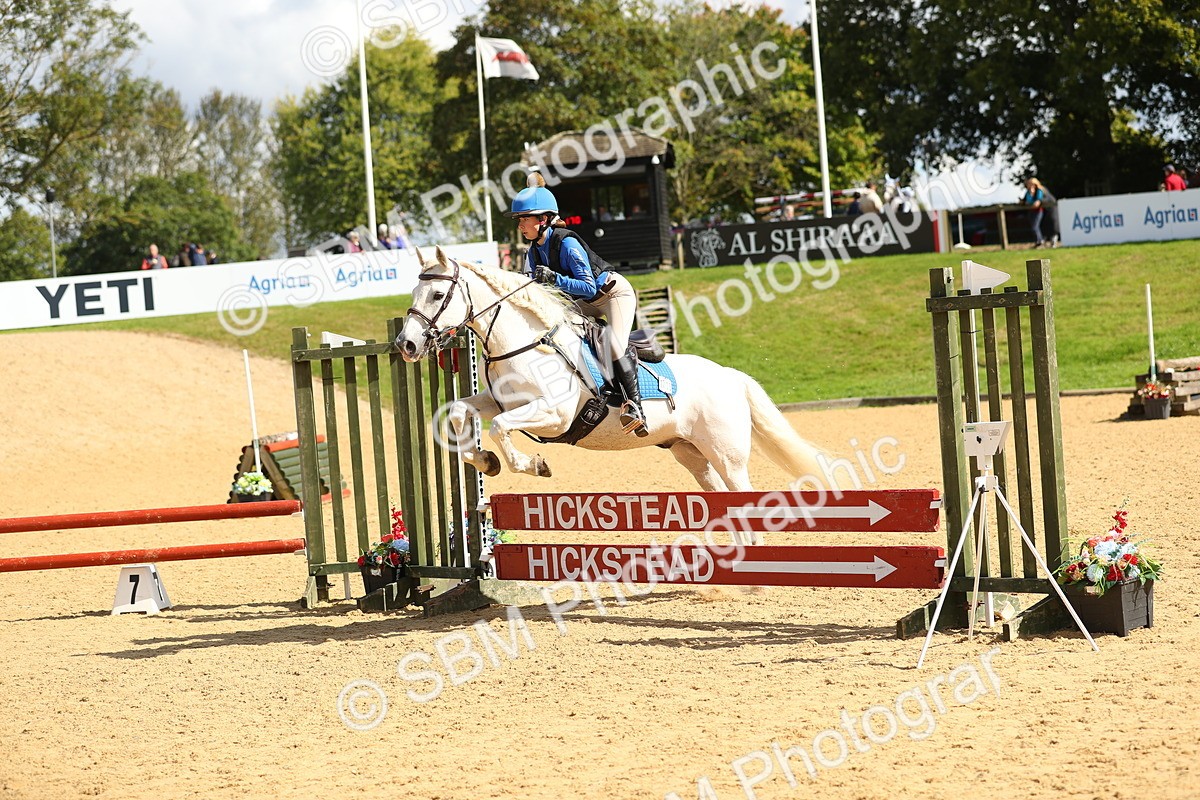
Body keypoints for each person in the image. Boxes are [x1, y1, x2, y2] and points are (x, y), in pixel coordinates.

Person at [507, 172, 648, 436]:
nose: (520, 225)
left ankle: (635, 407)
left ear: (543, 220)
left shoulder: (567, 242)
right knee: (554, 332)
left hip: (612, 295)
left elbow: (589, 287)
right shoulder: (534, 251)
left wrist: (555, 278)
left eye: (524, 219)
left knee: (615, 345)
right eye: (519, 220)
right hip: (584, 301)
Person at [1020, 177, 1049, 247]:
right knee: (1034, 227)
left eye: (1031, 184)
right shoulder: (1028, 192)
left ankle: (1040, 241)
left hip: (1038, 211)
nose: (1030, 185)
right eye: (1029, 184)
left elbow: (1039, 200)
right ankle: (1038, 241)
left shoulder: (1039, 191)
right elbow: (1025, 201)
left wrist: (1036, 201)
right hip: (1031, 211)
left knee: (1035, 227)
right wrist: (1022, 202)